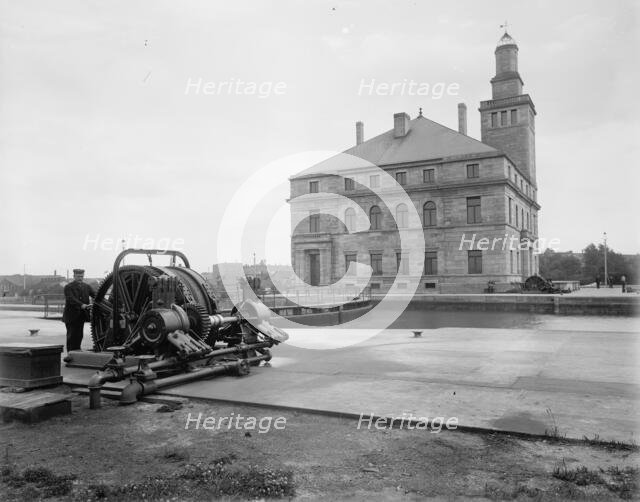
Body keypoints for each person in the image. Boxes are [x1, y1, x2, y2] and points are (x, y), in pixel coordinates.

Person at [62, 269, 95, 352]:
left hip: (81, 316)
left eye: (82, 276)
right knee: (71, 336)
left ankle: (77, 352)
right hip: (71, 316)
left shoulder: (86, 286)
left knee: (79, 335)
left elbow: (96, 295)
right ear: (74, 276)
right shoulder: (68, 287)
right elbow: (70, 299)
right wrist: (81, 305)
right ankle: (70, 354)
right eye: (78, 276)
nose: (80, 278)